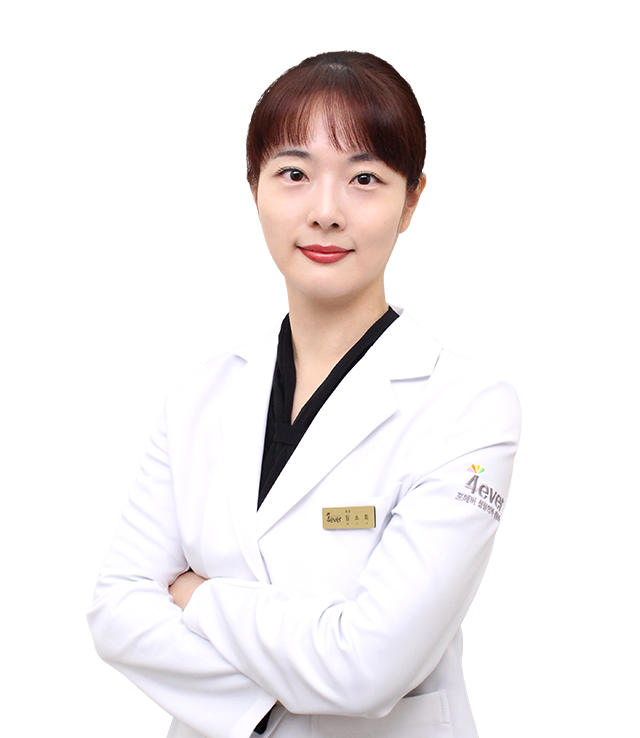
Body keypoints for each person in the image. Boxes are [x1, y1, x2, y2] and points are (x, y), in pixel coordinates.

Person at [88, 51, 520, 738]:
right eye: (294, 173)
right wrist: (288, 692)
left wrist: (199, 597)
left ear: (411, 201)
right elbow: (115, 615)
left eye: (365, 179)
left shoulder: (470, 409)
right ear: (253, 189)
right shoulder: (198, 398)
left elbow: (369, 669)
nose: (325, 212)